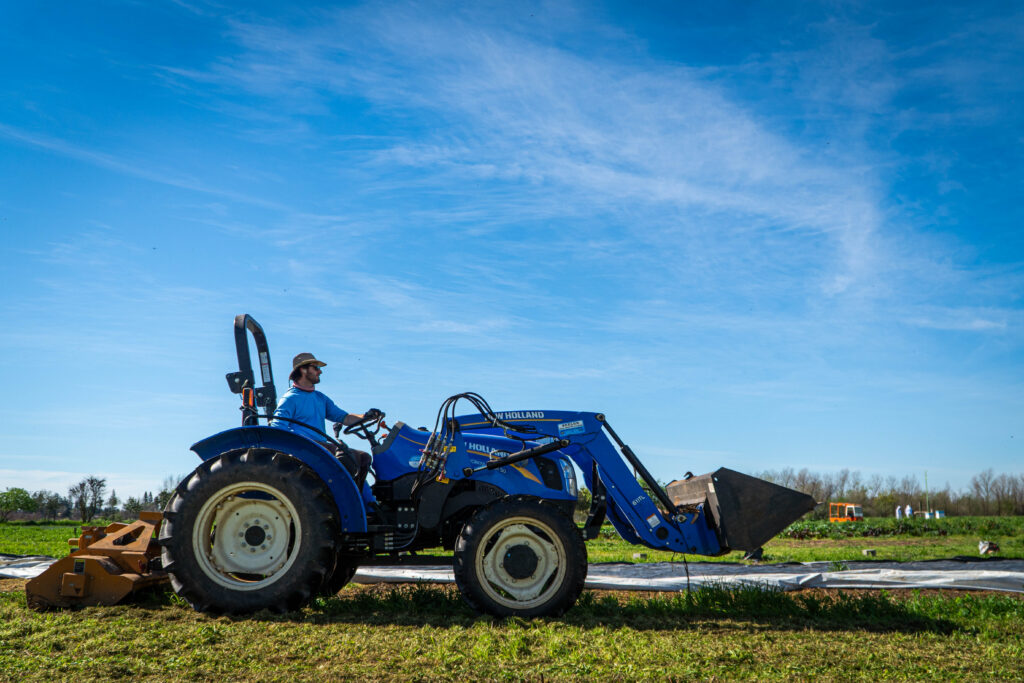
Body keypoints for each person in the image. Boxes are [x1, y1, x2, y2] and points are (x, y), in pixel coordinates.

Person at [271, 352, 375, 489]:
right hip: (306, 448)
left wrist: (366, 417)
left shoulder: (320, 398)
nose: (320, 371)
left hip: (321, 446)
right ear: (303, 369)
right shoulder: (290, 399)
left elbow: (345, 417)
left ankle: (360, 502)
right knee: (346, 457)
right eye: (315, 368)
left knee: (364, 458)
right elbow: (277, 428)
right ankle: (340, 499)